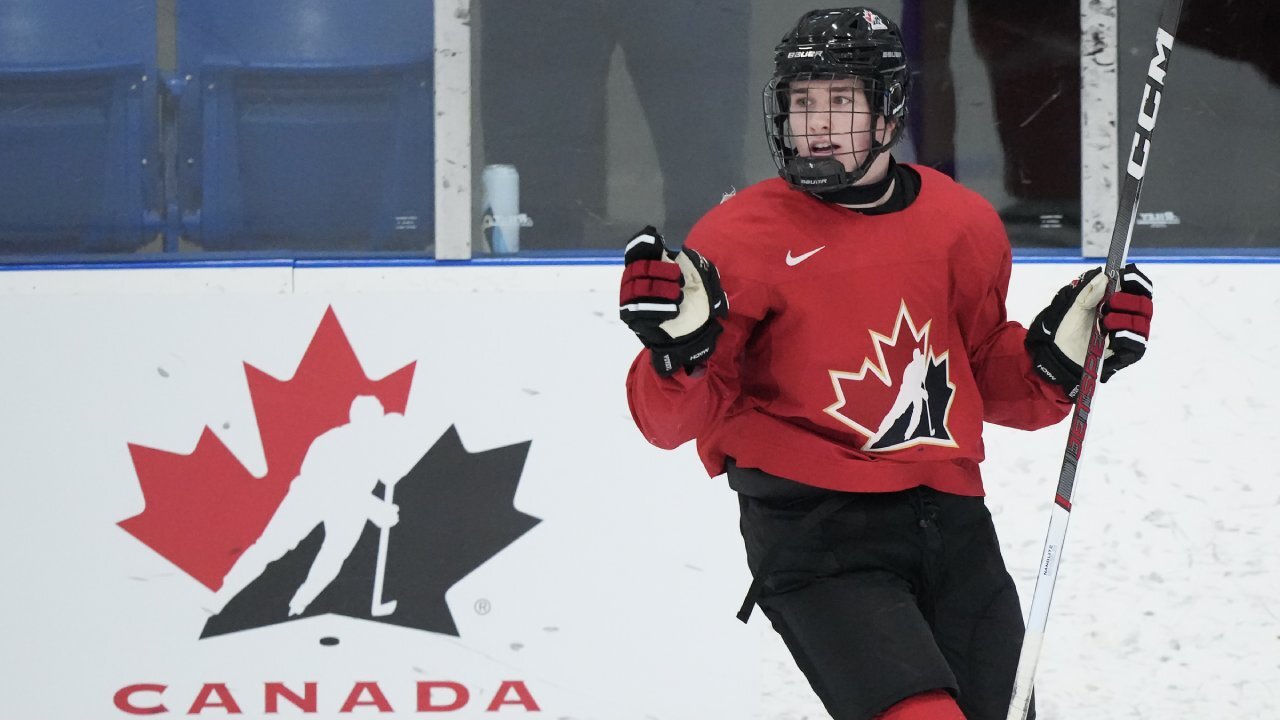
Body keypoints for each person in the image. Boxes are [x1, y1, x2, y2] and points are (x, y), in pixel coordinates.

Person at [618, 8, 1154, 720]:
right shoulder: (740, 237)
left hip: (954, 525)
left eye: (841, 101)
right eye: (802, 102)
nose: (816, 122)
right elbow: (669, 424)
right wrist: (675, 356)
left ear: (887, 112)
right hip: (817, 533)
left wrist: (1061, 360)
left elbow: (983, 373)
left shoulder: (961, 224)